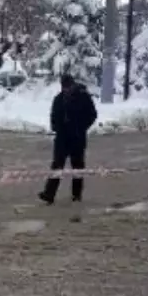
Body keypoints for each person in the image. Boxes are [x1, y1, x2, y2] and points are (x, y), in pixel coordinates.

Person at [38, 74, 97, 205]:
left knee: (77, 168)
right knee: (57, 166)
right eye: (64, 87)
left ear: (73, 85)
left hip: (77, 138)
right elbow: (53, 115)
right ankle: (49, 194)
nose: (66, 89)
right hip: (62, 139)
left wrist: (81, 127)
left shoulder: (83, 97)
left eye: (68, 87)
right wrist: (55, 126)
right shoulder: (58, 99)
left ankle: (76, 195)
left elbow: (92, 115)